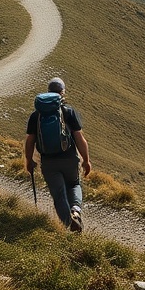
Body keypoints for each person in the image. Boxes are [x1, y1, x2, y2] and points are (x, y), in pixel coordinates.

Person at [24, 76, 92, 231]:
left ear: (48, 92)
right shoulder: (68, 112)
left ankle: (69, 225)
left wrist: (29, 161)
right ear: (63, 93)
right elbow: (79, 138)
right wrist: (86, 160)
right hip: (69, 157)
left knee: (59, 194)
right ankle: (75, 210)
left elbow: (30, 141)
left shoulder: (36, 116)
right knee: (74, 184)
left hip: (48, 162)